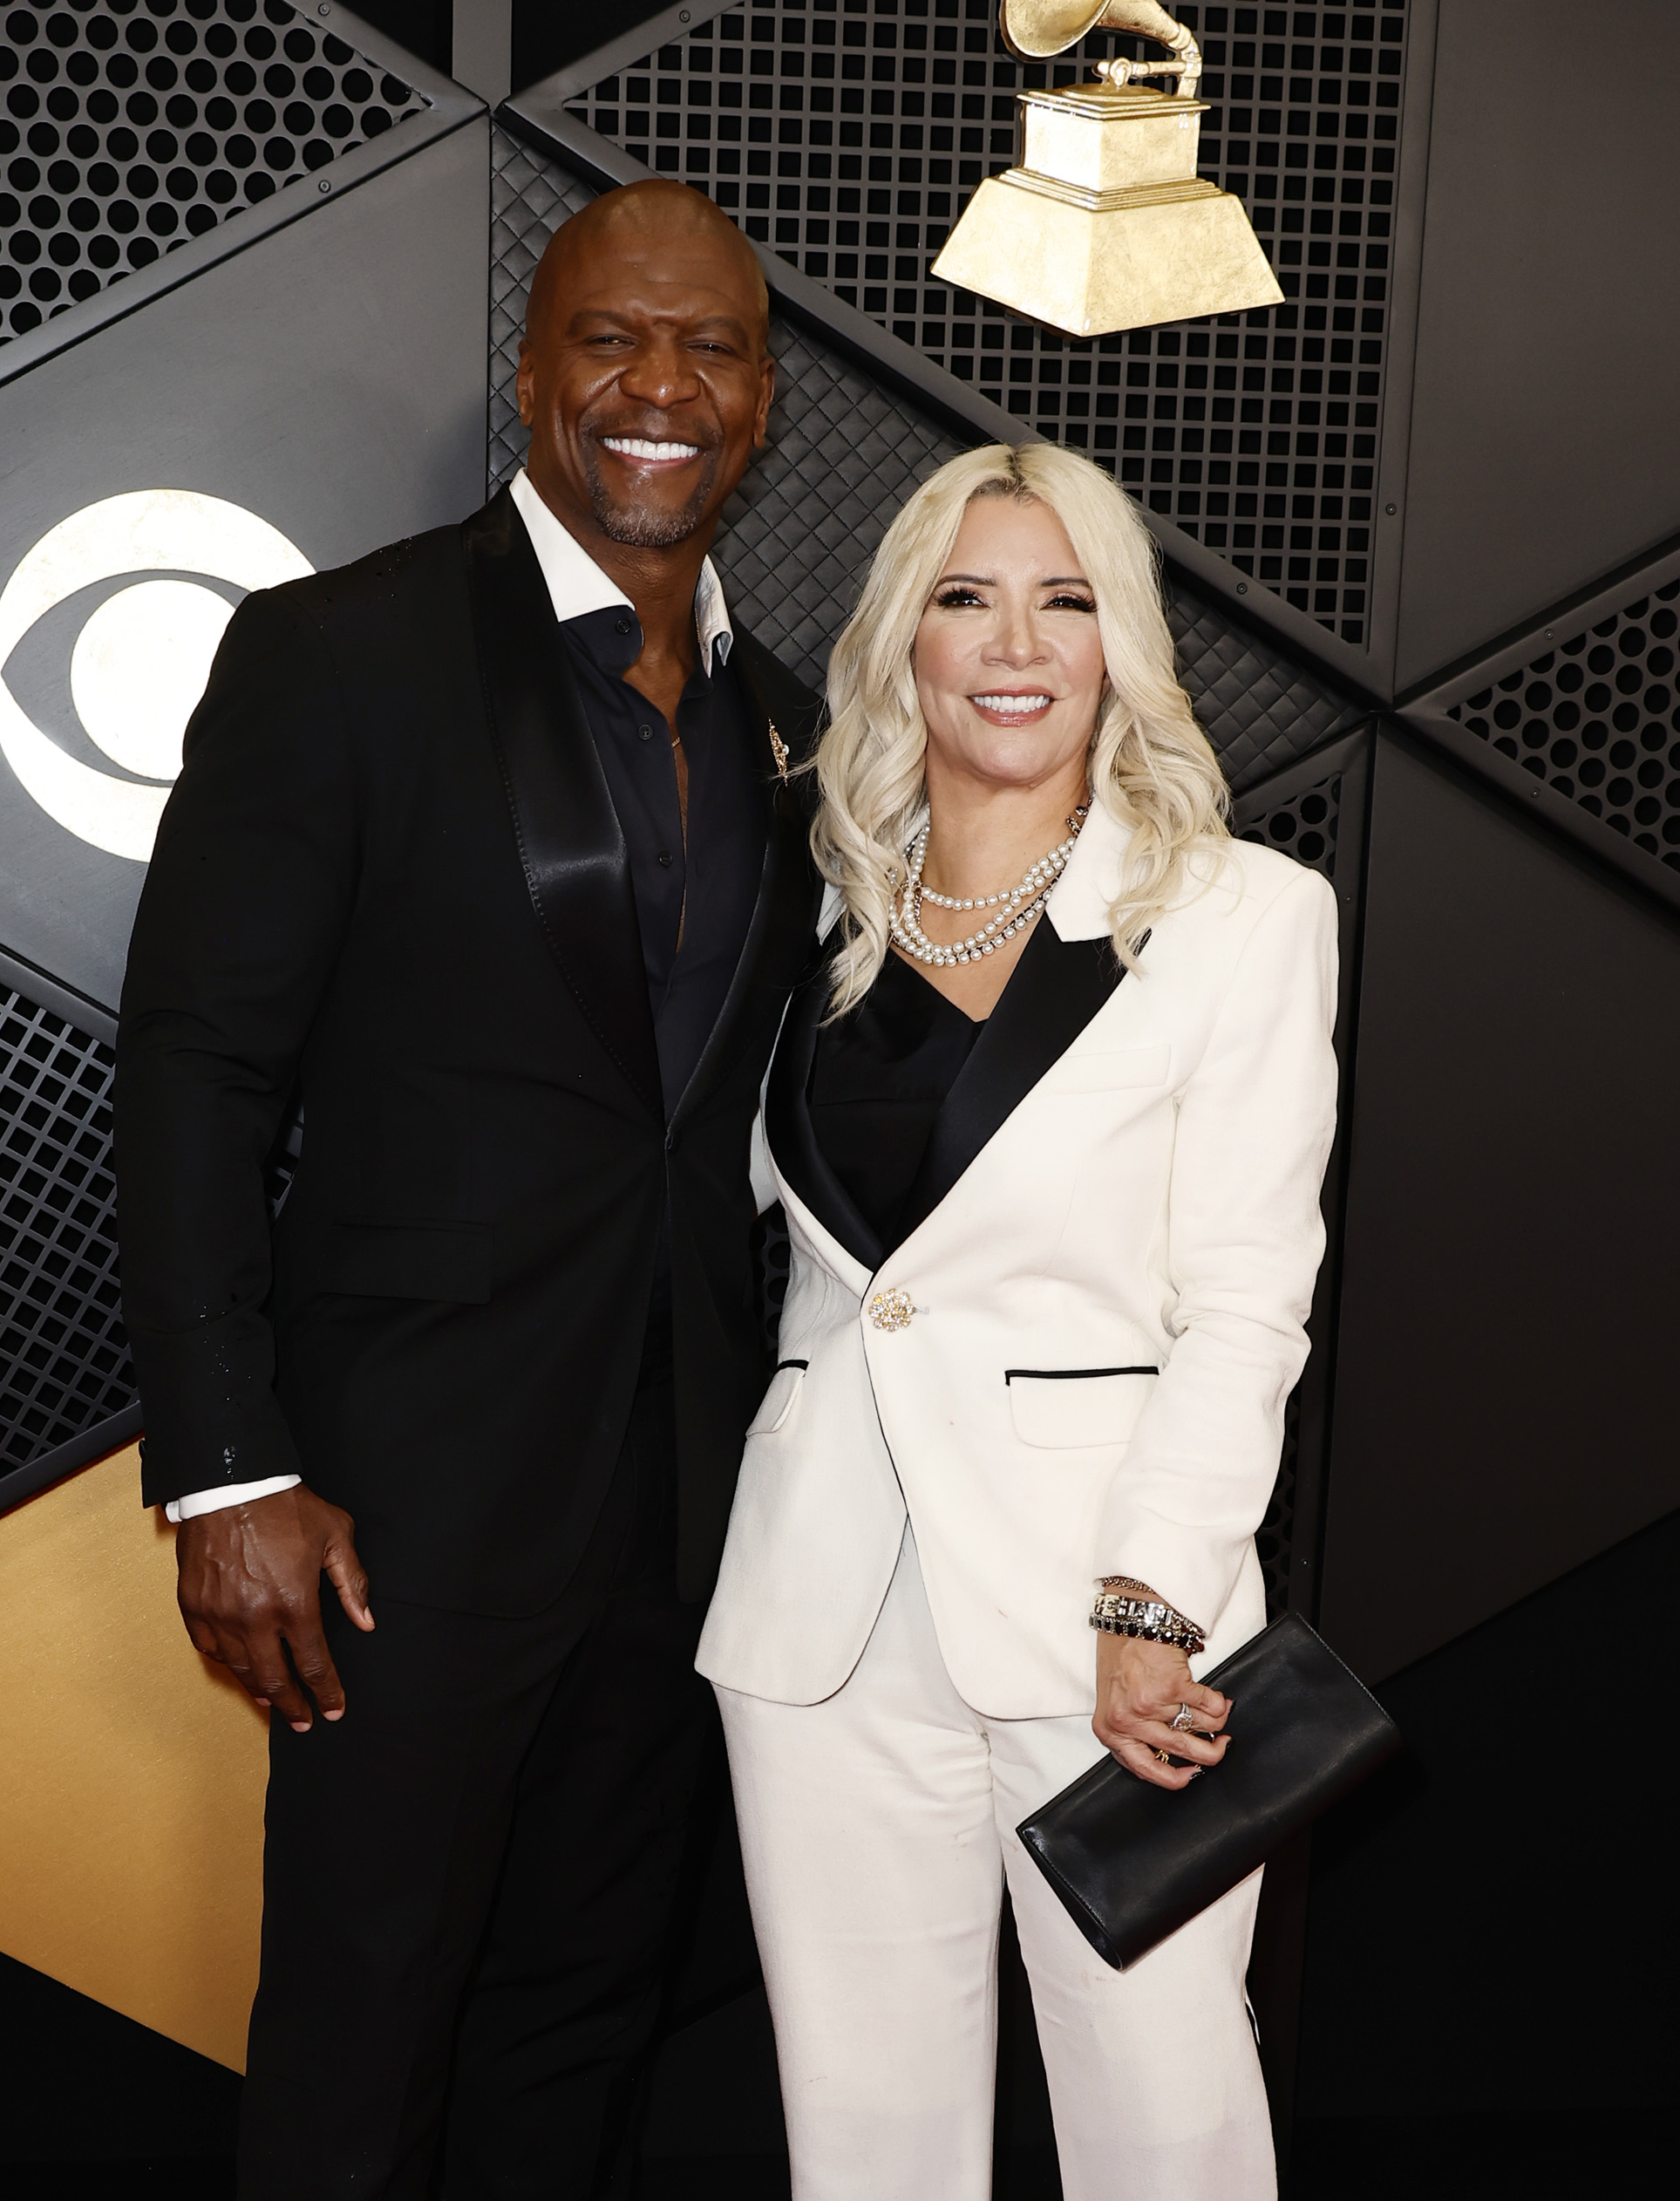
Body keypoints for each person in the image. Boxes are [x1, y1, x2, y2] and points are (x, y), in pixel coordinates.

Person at [114, 181, 820, 2199]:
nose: (660, 387)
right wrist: (228, 1464)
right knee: (359, 2033)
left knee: (580, 2021)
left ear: (764, 402)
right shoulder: (341, 651)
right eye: (614, 340)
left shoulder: (794, 725)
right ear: (532, 375)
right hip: (392, 1519)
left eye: (710, 350)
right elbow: (195, 1064)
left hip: (685, 1508)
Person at [697, 441, 1339, 2200]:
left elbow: (1246, 1299)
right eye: (966, 596)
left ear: (1120, 643)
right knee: (868, 2127)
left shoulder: (1243, 919)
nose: (1015, 641)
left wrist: (1158, 1596)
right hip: (821, 1610)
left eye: (1067, 600)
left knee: (1167, 2113)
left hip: (1111, 1612)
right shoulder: (808, 905)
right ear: (906, 636)